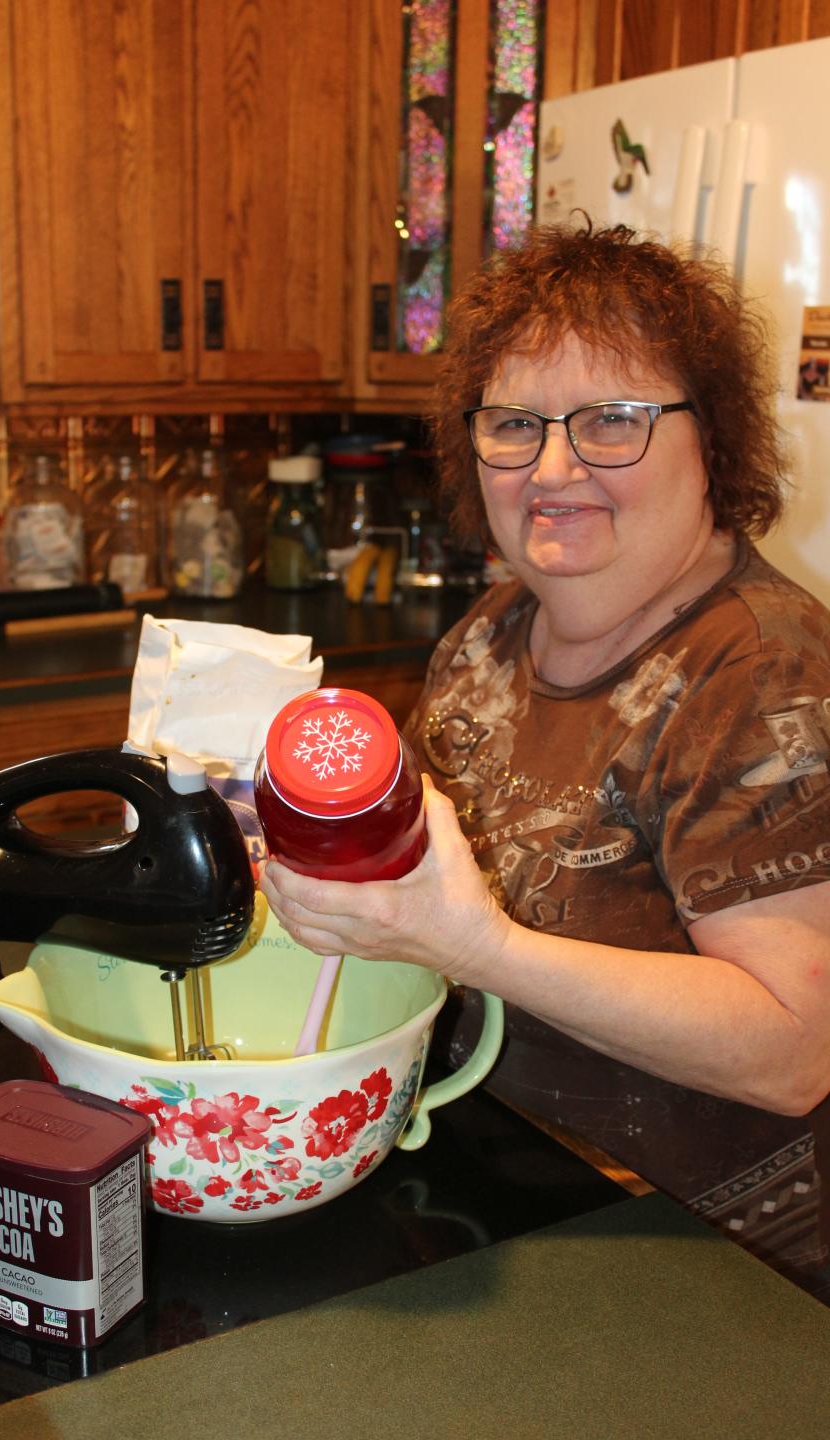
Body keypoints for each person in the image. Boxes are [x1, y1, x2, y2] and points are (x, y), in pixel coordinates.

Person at [262, 221, 830, 1299]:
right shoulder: (495, 630)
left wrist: (484, 950)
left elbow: (796, 1050)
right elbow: (419, 884)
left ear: (713, 438)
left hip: (706, 1273)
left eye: (612, 421)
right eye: (516, 424)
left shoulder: (761, 671)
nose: (553, 468)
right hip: (504, 1196)